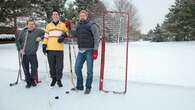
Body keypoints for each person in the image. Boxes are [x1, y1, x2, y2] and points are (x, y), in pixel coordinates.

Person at [72, 10, 100, 94]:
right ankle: (80, 86)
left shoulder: (92, 25)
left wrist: (95, 50)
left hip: (89, 50)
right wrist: (69, 26)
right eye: (81, 15)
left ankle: (88, 87)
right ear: (79, 16)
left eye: (84, 15)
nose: (82, 17)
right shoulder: (78, 25)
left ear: (86, 16)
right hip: (81, 50)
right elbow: (74, 34)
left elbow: (96, 37)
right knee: (77, 69)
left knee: (89, 71)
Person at [42, 10, 68, 88]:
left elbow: (67, 33)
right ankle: (54, 79)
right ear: (52, 16)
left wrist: (63, 36)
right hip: (50, 49)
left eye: (56, 14)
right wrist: (44, 45)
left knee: (59, 66)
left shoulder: (63, 25)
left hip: (59, 49)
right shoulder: (48, 25)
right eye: (54, 14)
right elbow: (46, 37)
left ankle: (59, 79)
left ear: (58, 16)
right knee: (52, 66)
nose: (55, 15)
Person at [16, 18, 44, 88]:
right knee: (25, 68)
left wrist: (41, 37)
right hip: (24, 53)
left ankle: (32, 79)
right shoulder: (23, 32)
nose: (31, 25)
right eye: (29, 24)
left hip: (32, 53)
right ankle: (28, 81)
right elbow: (17, 41)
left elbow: (46, 34)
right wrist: (20, 49)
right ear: (27, 25)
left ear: (34, 25)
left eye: (32, 24)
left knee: (35, 67)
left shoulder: (38, 31)